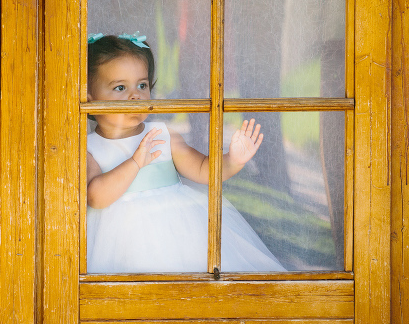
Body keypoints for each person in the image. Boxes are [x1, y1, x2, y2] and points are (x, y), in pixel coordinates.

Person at [85, 34, 284, 273]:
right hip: (118, 241)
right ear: (89, 98)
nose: (135, 96)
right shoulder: (89, 148)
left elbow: (203, 170)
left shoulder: (162, 135)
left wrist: (233, 160)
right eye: (120, 87)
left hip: (177, 231)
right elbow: (96, 196)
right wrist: (135, 162)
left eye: (142, 85)